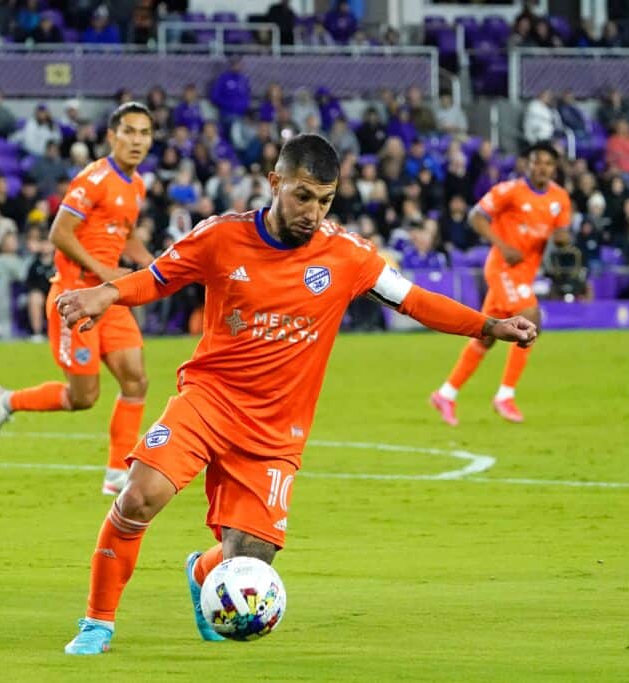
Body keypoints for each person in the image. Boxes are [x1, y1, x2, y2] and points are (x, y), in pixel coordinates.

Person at [53, 134, 537, 655]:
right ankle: (97, 624)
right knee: (138, 497)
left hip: (276, 429)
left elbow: (415, 301)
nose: (313, 211)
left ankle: (201, 572)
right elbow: (158, 277)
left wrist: (488, 325)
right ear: (276, 182)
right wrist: (107, 291)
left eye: (325, 200)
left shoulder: (347, 256)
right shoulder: (222, 236)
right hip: (208, 400)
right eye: (303, 196)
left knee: (250, 563)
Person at [0, 102, 155, 496]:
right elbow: (59, 233)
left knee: (136, 381)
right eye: (129, 131)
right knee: (83, 397)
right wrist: (106, 271)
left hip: (109, 299)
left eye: (145, 133)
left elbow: (123, 232)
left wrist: (154, 263)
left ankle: (116, 474)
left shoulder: (136, 184)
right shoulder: (93, 179)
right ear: (112, 136)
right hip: (76, 299)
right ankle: (8, 401)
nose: (137, 140)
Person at [430, 141, 571, 425]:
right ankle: (505, 396)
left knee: (487, 336)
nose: (541, 167)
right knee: (531, 319)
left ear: (554, 168)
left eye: (547, 163)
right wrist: (502, 245)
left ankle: (446, 394)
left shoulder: (560, 199)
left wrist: (562, 239)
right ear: (527, 164)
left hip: (525, 273)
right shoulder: (510, 191)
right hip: (503, 268)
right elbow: (476, 216)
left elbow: (562, 232)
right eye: (536, 161)